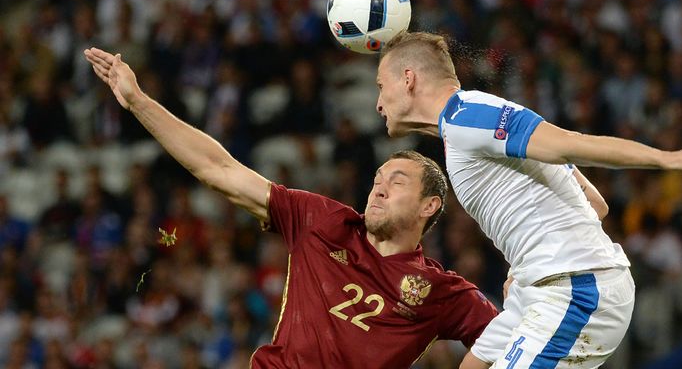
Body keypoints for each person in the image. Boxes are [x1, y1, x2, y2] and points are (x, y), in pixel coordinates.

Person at [83, 47, 499, 368]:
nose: (378, 189)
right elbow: (219, 169)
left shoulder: (440, 291)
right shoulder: (323, 222)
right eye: (376, 180)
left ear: (430, 205)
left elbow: (503, 336)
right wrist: (137, 101)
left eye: (397, 181)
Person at [374, 31, 682, 369]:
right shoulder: (465, 127)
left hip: (574, 286)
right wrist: (525, 264)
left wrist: (667, 159)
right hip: (541, 284)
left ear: (408, 78)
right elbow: (595, 204)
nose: (377, 103)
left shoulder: (468, 116)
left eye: (380, 86)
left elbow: (569, 142)